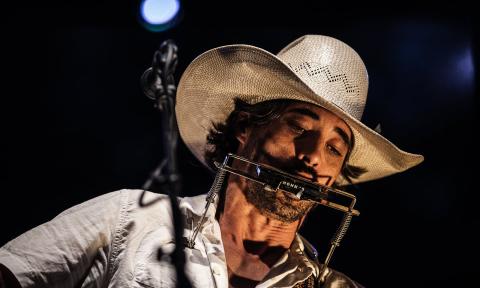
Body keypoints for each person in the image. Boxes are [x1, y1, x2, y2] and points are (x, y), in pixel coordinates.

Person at [0, 35, 423, 287]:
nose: (313, 157)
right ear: (245, 128)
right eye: (300, 127)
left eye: (335, 147)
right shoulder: (130, 218)